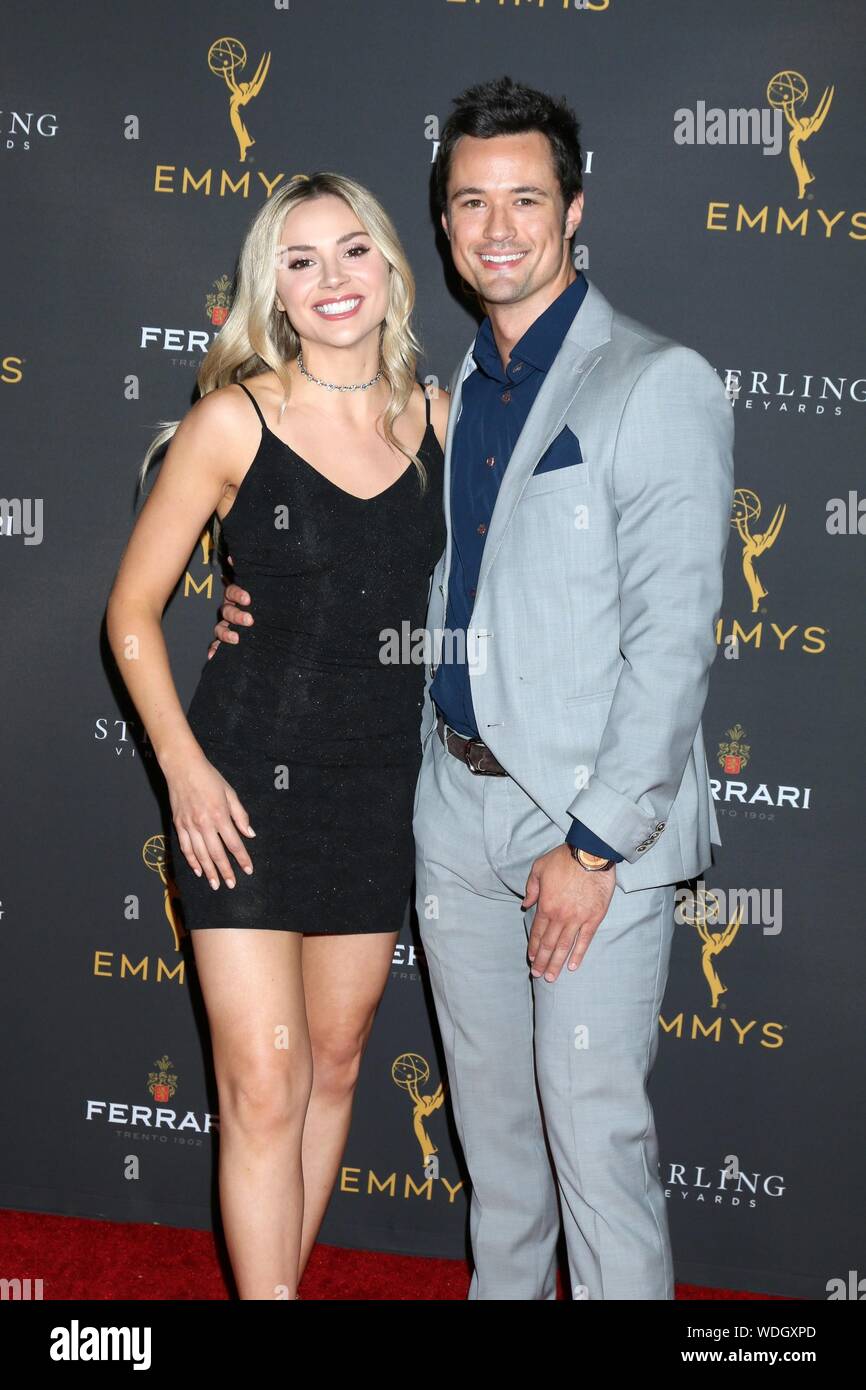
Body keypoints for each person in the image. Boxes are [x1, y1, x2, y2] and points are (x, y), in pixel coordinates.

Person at [214, 77, 735, 1301]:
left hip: (588, 830)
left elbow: (673, 645)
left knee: (592, 1148)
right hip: (450, 819)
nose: (498, 228)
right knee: (496, 1165)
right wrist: (243, 598)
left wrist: (594, 842)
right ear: (441, 229)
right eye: (469, 203)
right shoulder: (443, 395)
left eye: (525, 200)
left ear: (573, 210)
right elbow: (367, 549)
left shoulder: (654, 381)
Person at [106, 172, 448, 1300]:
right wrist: (185, 769)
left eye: (351, 251)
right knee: (263, 1078)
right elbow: (131, 615)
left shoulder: (441, 420)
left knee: (336, 1062)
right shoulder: (233, 421)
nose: (331, 279)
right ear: (274, 292)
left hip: (381, 787)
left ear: (392, 268)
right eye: (300, 261)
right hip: (242, 780)